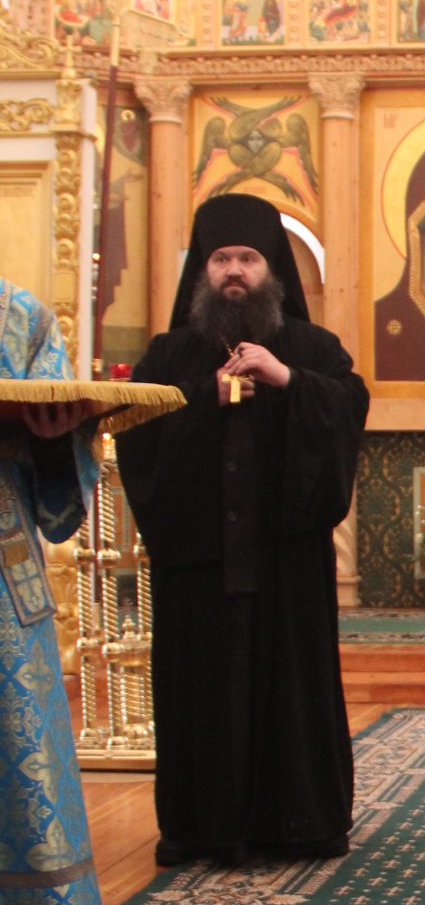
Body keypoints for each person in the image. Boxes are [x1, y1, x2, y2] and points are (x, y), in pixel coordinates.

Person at [116, 194, 369, 866]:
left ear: (271, 269)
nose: (235, 271)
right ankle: (202, 829)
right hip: (198, 566)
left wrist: (287, 380)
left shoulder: (312, 349)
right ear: (201, 270)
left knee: (290, 690)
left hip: (285, 563)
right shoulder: (168, 357)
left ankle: (299, 825)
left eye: (248, 259)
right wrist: (209, 396)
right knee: (202, 692)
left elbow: (347, 408)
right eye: (221, 259)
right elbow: (138, 439)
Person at [0, 281, 109, 905]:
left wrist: (51, 442)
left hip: (1, 572)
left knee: (15, 741)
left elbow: (61, 470)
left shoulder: (23, 319)